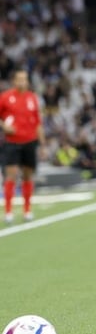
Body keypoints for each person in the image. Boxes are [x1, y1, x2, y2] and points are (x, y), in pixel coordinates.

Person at [0, 70, 45, 224]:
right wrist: (4, 126)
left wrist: (42, 144)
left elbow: (38, 122)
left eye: (25, 79)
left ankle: (27, 210)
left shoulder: (32, 98)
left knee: (27, 176)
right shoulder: (6, 97)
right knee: (11, 175)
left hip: (30, 141)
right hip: (12, 142)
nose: (22, 82)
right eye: (19, 79)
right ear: (14, 81)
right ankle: (8, 212)